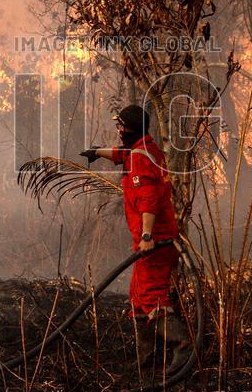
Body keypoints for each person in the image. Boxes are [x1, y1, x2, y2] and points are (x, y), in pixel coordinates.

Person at [80, 105, 190, 370]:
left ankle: (183, 348)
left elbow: (148, 200)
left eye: (121, 126)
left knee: (151, 294)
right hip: (153, 237)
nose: (119, 131)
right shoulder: (146, 148)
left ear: (130, 128)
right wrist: (96, 153)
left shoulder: (140, 157)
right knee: (137, 296)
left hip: (155, 239)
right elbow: (122, 154)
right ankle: (147, 356)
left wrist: (147, 235)